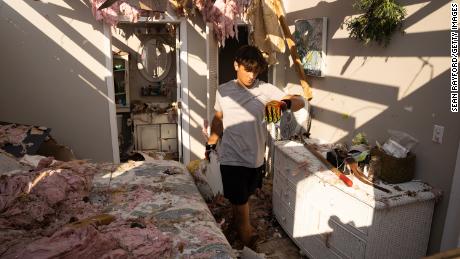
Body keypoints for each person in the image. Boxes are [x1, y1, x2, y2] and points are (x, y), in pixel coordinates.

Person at [206, 45, 305, 246]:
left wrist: (283, 104)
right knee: (242, 206)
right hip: (231, 159)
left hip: (255, 159)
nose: (252, 75)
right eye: (247, 69)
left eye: (255, 70)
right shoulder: (223, 90)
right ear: (236, 65)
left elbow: (301, 101)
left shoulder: (266, 90)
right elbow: (218, 118)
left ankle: (237, 229)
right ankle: (248, 244)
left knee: (241, 201)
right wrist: (211, 144)